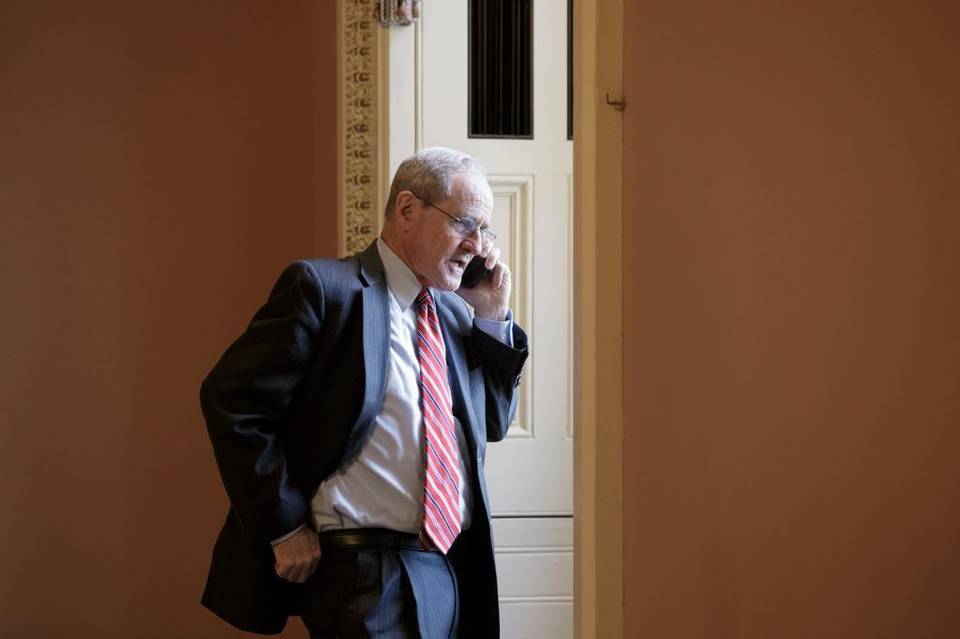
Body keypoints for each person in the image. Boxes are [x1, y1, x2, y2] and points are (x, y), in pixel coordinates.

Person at [199, 147, 528, 638]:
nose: (477, 246)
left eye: (485, 231)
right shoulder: (324, 290)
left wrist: (491, 317)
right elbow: (232, 402)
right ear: (407, 209)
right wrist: (283, 526)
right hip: (364, 575)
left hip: (448, 572)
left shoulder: (454, 316)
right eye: (465, 223)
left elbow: (493, 423)